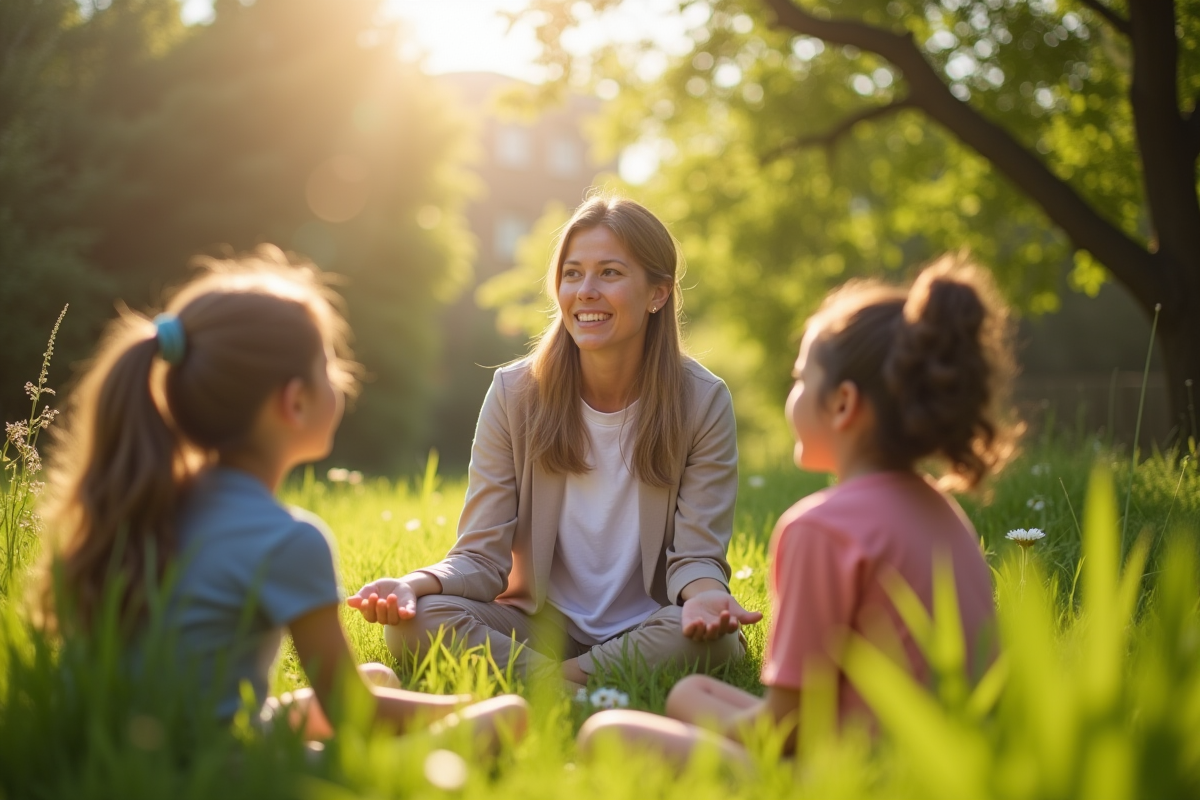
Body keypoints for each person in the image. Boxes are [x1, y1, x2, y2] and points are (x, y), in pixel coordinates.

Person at [38, 248, 527, 741]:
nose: (344, 380)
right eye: (329, 365)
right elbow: (349, 710)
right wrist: (468, 704)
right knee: (508, 716)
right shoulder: (290, 541)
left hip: (138, 744)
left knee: (377, 677)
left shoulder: (144, 500)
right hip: (220, 770)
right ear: (294, 401)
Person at [576, 254, 1017, 764]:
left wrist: (725, 731)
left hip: (848, 778)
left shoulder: (819, 528)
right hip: (942, 766)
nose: (794, 393)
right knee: (687, 694)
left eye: (802, 378)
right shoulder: (943, 512)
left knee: (604, 734)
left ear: (843, 404)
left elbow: (784, 732)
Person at [350, 196, 761, 685]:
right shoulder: (514, 394)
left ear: (658, 293)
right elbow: (480, 556)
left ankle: (542, 686)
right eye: (572, 274)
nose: (585, 291)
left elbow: (695, 557)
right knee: (414, 622)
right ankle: (576, 684)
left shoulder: (702, 400)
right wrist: (413, 585)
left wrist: (707, 596)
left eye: (609, 273)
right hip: (538, 625)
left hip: (648, 624)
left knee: (709, 636)